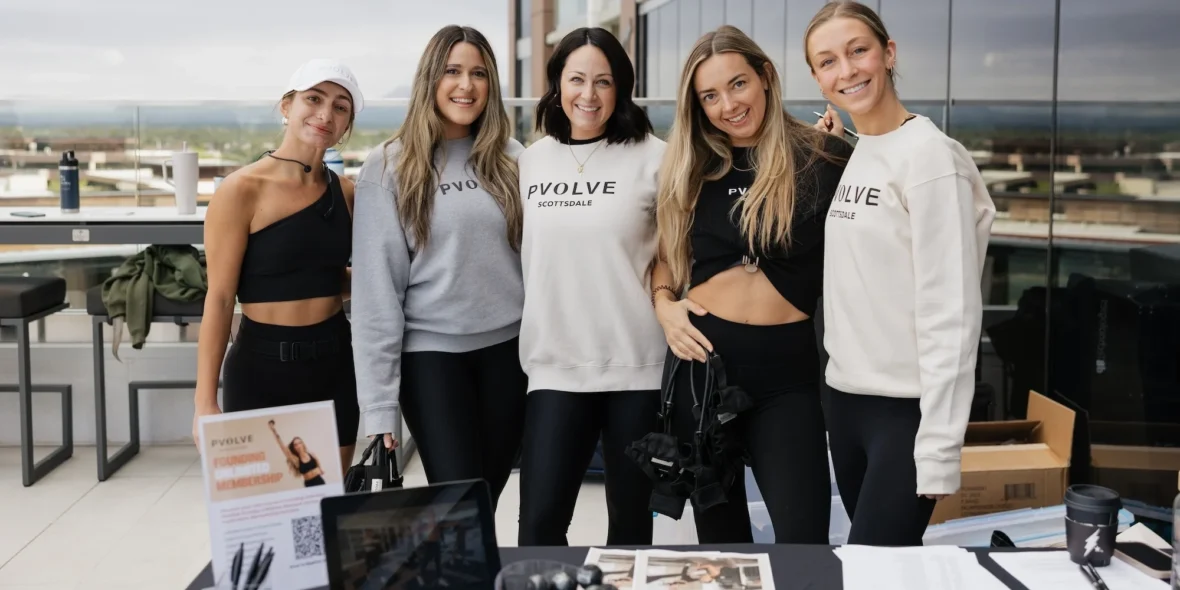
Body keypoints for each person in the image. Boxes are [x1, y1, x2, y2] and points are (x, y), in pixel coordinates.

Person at [648, 25, 851, 544]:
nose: (727, 106)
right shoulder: (691, 166)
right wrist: (664, 306)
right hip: (701, 367)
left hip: (787, 375)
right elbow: (668, 258)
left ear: (765, 77)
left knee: (803, 540)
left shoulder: (825, 158)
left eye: (737, 84)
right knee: (722, 546)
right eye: (709, 96)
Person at [804, 0, 996, 546]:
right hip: (843, 401)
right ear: (817, 78)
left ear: (888, 54)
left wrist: (938, 447)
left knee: (872, 568)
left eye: (858, 50)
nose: (847, 71)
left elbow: (952, 311)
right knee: (876, 568)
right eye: (828, 61)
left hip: (904, 415)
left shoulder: (933, 158)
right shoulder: (858, 153)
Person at [351, 25, 527, 509]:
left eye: (478, 73)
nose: (465, 86)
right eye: (452, 71)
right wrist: (380, 408)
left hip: (510, 357)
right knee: (457, 505)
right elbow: (375, 296)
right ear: (430, 79)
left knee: (483, 503)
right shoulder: (389, 165)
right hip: (431, 361)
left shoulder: (514, 160)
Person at [515, 26, 667, 546]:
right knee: (538, 528)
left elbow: (676, 257)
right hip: (555, 368)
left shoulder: (657, 157)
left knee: (630, 531)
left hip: (637, 369)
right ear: (557, 85)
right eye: (576, 79)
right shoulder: (529, 162)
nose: (589, 94)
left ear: (621, 87)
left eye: (603, 81)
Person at [192, 59, 364, 471]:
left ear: (346, 126)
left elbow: (326, 277)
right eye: (314, 99)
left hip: (335, 365)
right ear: (287, 106)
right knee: (264, 522)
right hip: (261, 369)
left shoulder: (347, 193)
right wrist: (204, 400)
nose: (325, 114)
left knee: (325, 513)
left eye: (341, 107)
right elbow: (218, 299)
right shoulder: (241, 190)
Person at [268, 420, 325, 487]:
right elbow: (283, 447)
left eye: (300, 443)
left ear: (303, 444)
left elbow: (317, 461)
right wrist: (274, 431)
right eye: (295, 444)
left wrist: (320, 469)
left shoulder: (311, 454)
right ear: (294, 448)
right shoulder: (296, 460)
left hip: (320, 481)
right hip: (309, 484)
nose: (298, 445)